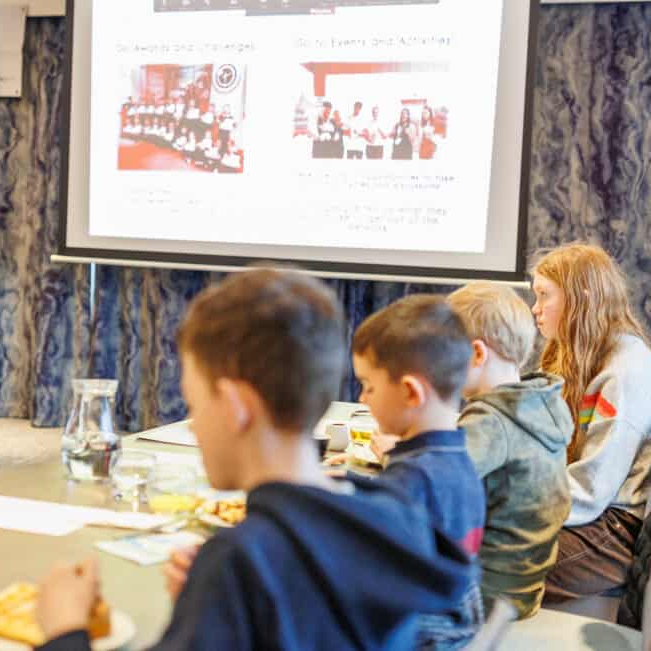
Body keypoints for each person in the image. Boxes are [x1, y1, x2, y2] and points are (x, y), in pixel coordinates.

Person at [34, 270, 475, 651]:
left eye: (195, 405)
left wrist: (66, 629)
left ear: (234, 406)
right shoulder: (394, 515)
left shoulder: (239, 563)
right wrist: (210, 609)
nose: (193, 427)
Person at [532, 243, 651, 602]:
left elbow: (588, 492)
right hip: (594, 513)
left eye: (543, 296)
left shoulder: (623, 372)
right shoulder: (588, 355)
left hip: (613, 529)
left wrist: (512, 504)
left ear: (581, 298)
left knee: (484, 566)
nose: (535, 309)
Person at [350, 294, 485, 650]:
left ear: (410, 392)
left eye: (369, 386)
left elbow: (375, 586)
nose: (363, 398)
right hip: (457, 630)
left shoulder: (410, 481)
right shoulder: (458, 459)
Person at [446, 282, 573, 618]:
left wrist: (395, 452)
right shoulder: (541, 404)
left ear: (476, 353)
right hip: (524, 588)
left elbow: (438, 480)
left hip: (486, 592)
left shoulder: (490, 419)